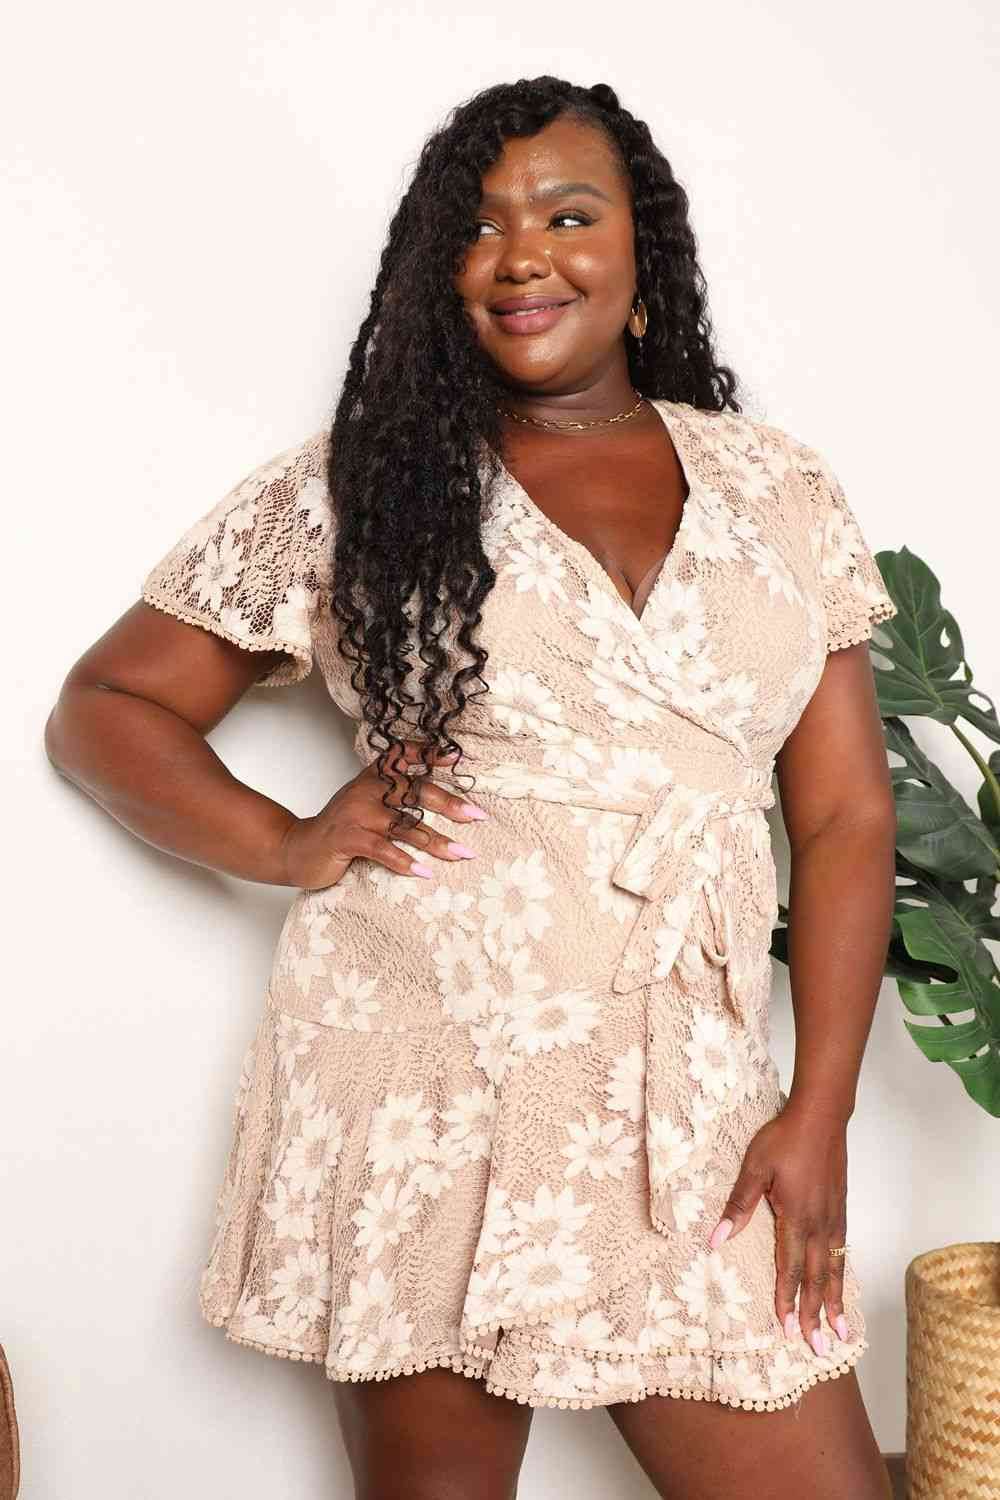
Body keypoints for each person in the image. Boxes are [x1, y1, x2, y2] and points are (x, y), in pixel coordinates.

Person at [44, 76, 898, 1500]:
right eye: (481, 227)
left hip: (686, 1091)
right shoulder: (367, 486)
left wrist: (820, 1110)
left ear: (640, 255)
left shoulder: (780, 491)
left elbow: (845, 814)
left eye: (567, 216)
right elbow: (106, 709)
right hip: (422, 1066)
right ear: (442, 273)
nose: (521, 255)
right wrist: (285, 839)